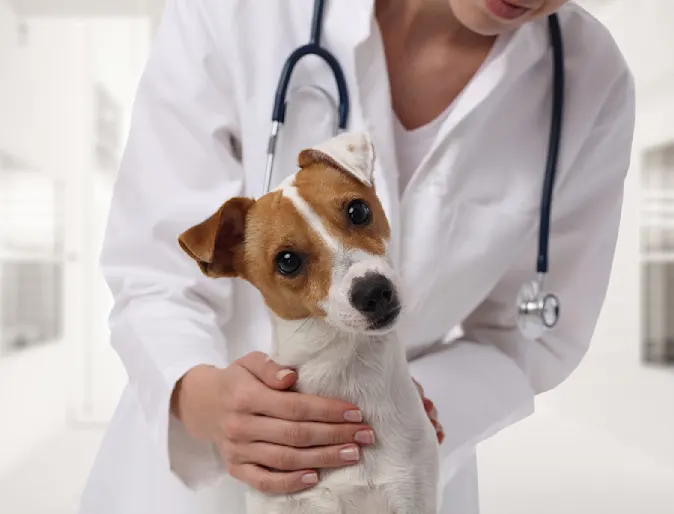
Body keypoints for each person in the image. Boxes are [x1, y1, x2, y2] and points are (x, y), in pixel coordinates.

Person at [78, 0, 635, 513]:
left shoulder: (590, 78)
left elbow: (535, 332)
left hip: (403, 466)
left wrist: (409, 406)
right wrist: (205, 399)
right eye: (292, 261)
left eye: (358, 215)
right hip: (199, 475)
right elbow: (153, 271)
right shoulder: (238, 11)